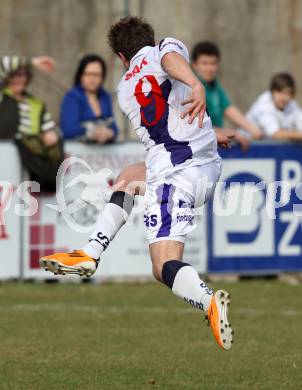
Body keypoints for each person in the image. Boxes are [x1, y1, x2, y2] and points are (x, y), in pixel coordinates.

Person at [40, 17, 234, 351]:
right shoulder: (166, 46)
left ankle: (207, 302)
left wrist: (194, 84)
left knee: (162, 266)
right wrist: (198, 90)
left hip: (177, 176)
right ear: (151, 39)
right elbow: (172, 80)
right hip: (202, 164)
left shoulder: (124, 89)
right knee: (128, 176)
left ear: (120, 57)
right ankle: (89, 252)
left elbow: (165, 73)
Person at [0, 55, 63, 192]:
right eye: (14, 75)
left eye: (22, 75)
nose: (18, 79)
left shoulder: (37, 104)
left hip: (30, 164)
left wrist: (50, 135)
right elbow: (2, 64)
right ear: (6, 77)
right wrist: (31, 62)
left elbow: (47, 128)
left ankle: (45, 185)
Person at [191, 41, 263, 149]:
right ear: (194, 65)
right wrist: (229, 133)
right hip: (198, 148)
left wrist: (254, 130)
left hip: (215, 146)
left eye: (213, 63)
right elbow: (193, 125)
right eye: (205, 63)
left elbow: (229, 109)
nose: (210, 68)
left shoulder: (215, 86)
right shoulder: (190, 88)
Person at [60, 54, 119, 143]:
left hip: (103, 154)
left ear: (103, 76)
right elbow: (68, 130)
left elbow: (114, 128)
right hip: (78, 153)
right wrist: (93, 131)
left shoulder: (105, 96)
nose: (92, 79)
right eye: (88, 74)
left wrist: (109, 133)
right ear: (80, 75)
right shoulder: (72, 97)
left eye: (97, 75)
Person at [243, 73, 302, 140]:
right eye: (280, 92)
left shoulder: (292, 105)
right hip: (243, 146)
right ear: (272, 91)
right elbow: (275, 134)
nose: (284, 97)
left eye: (288, 93)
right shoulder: (263, 104)